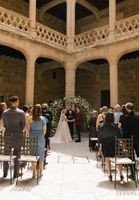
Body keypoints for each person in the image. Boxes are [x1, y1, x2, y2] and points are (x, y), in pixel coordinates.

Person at [2, 95, 26, 178]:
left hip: (7, 135)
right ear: (17, 101)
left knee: (6, 153)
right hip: (17, 135)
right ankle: (16, 173)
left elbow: (5, 125)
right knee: (17, 153)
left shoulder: (5, 113)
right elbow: (23, 125)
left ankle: (5, 173)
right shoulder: (21, 112)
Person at [98, 112, 123, 181]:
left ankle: (110, 175)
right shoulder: (115, 125)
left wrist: (100, 146)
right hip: (115, 145)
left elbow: (99, 137)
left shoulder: (101, 126)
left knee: (107, 159)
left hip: (105, 145)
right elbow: (119, 136)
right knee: (118, 159)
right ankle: (121, 174)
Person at [26, 104, 47, 178]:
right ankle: (41, 172)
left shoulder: (29, 119)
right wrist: (40, 135)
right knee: (41, 155)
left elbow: (28, 130)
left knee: (33, 155)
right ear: (40, 111)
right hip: (40, 138)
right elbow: (44, 131)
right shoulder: (43, 119)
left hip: (32, 138)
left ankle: (34, 172)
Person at [124, 102, 139, 179]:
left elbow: (126, 130)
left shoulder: (127, 117)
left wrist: (124, 140)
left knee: (131, 157)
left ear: (127, 108)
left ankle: (133, 175)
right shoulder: (138, 115)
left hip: (130, 139)